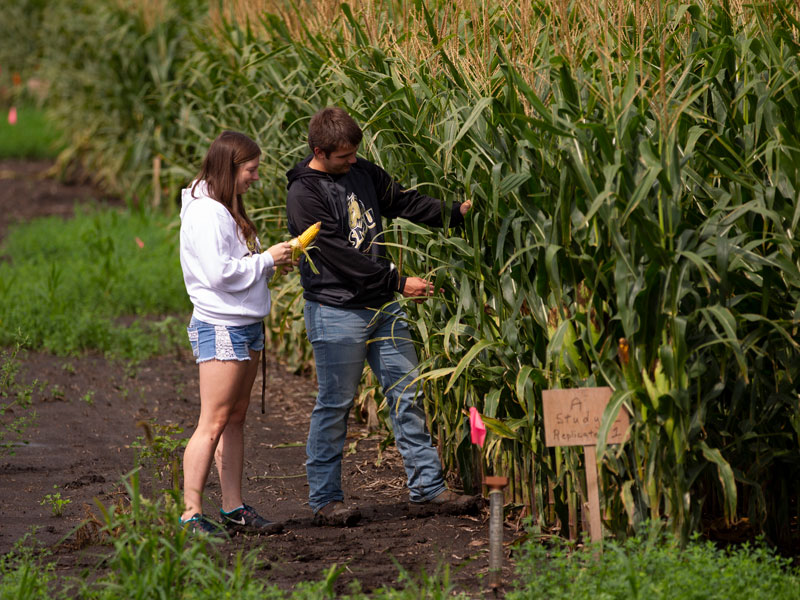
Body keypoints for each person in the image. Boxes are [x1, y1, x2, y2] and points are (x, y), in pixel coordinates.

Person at [285, 107, 478, 526]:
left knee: (408, 394)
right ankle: (325, 500)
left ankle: (427, 490)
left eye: (355, 153)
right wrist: (396, 279)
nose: (353, 161)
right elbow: (334, 254)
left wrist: (452, 214)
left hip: (383, 309)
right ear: (320, 151)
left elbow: (400, 200)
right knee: (335, 404)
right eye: (344, 156)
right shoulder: (304, 193)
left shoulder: (360, 170)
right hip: (337, 310)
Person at [178, 131, 295, 536]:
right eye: (251, 170)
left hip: (244, 324)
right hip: (222, 325)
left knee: (235, 418)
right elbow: (220, 274)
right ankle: (191, 514)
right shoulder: (206, 213)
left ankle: (233, 507)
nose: (255, 177)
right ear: (230, 168)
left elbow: (235, 262)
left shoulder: (224, 207)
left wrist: (269, 263)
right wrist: (266, 261)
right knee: (212, 421)